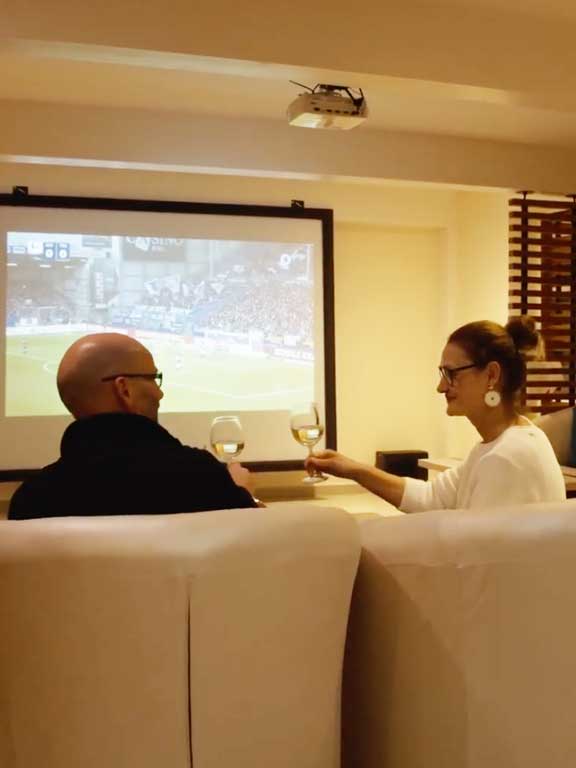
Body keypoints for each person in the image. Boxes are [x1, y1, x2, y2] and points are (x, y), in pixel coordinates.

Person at [306, 316, 566, 511]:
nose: (441, 386)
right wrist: (352, 469)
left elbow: (477, 562)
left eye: (451, 374)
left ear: (491, 375)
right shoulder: (496, 446)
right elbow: (432, 497)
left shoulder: (507, 457)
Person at [9, 333, 258, 520]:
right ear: (124, 390)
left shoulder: (30, 501)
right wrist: (240, 493)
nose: (159, 393)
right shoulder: (202, 478)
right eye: (153, 379)